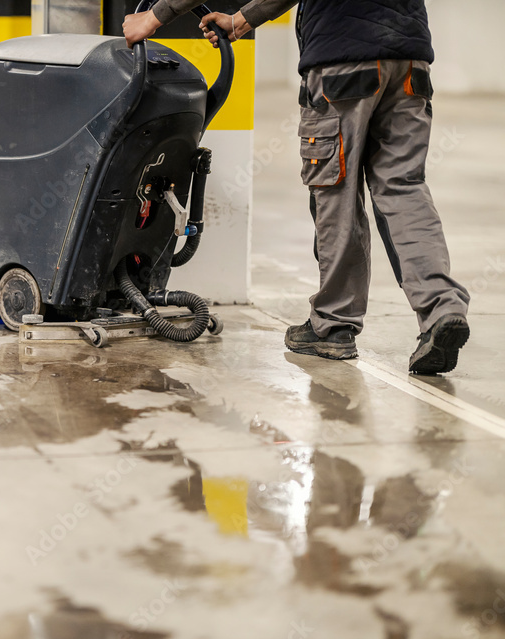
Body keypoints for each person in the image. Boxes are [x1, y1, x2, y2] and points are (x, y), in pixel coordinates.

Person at [124, 0, 471, 375]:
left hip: (342, 62)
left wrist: (155, 15)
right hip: (410, 62)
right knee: (404, 188)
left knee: (335, 193)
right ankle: (443, 309)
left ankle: (333, 325)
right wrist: (241, 21)